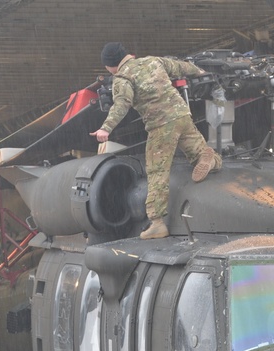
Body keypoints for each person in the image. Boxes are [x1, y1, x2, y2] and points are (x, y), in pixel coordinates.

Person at [91, 42, 221, 240]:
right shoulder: (153, 61)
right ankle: (211, 161)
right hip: (182, 115)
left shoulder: (122, 78)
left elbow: (121, 105)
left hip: (161, 125)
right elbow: (181, 67)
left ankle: (157, 223)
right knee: (197, 154)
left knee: (157, 171)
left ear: (111, 65)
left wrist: (105, 128)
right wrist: (199, 71)